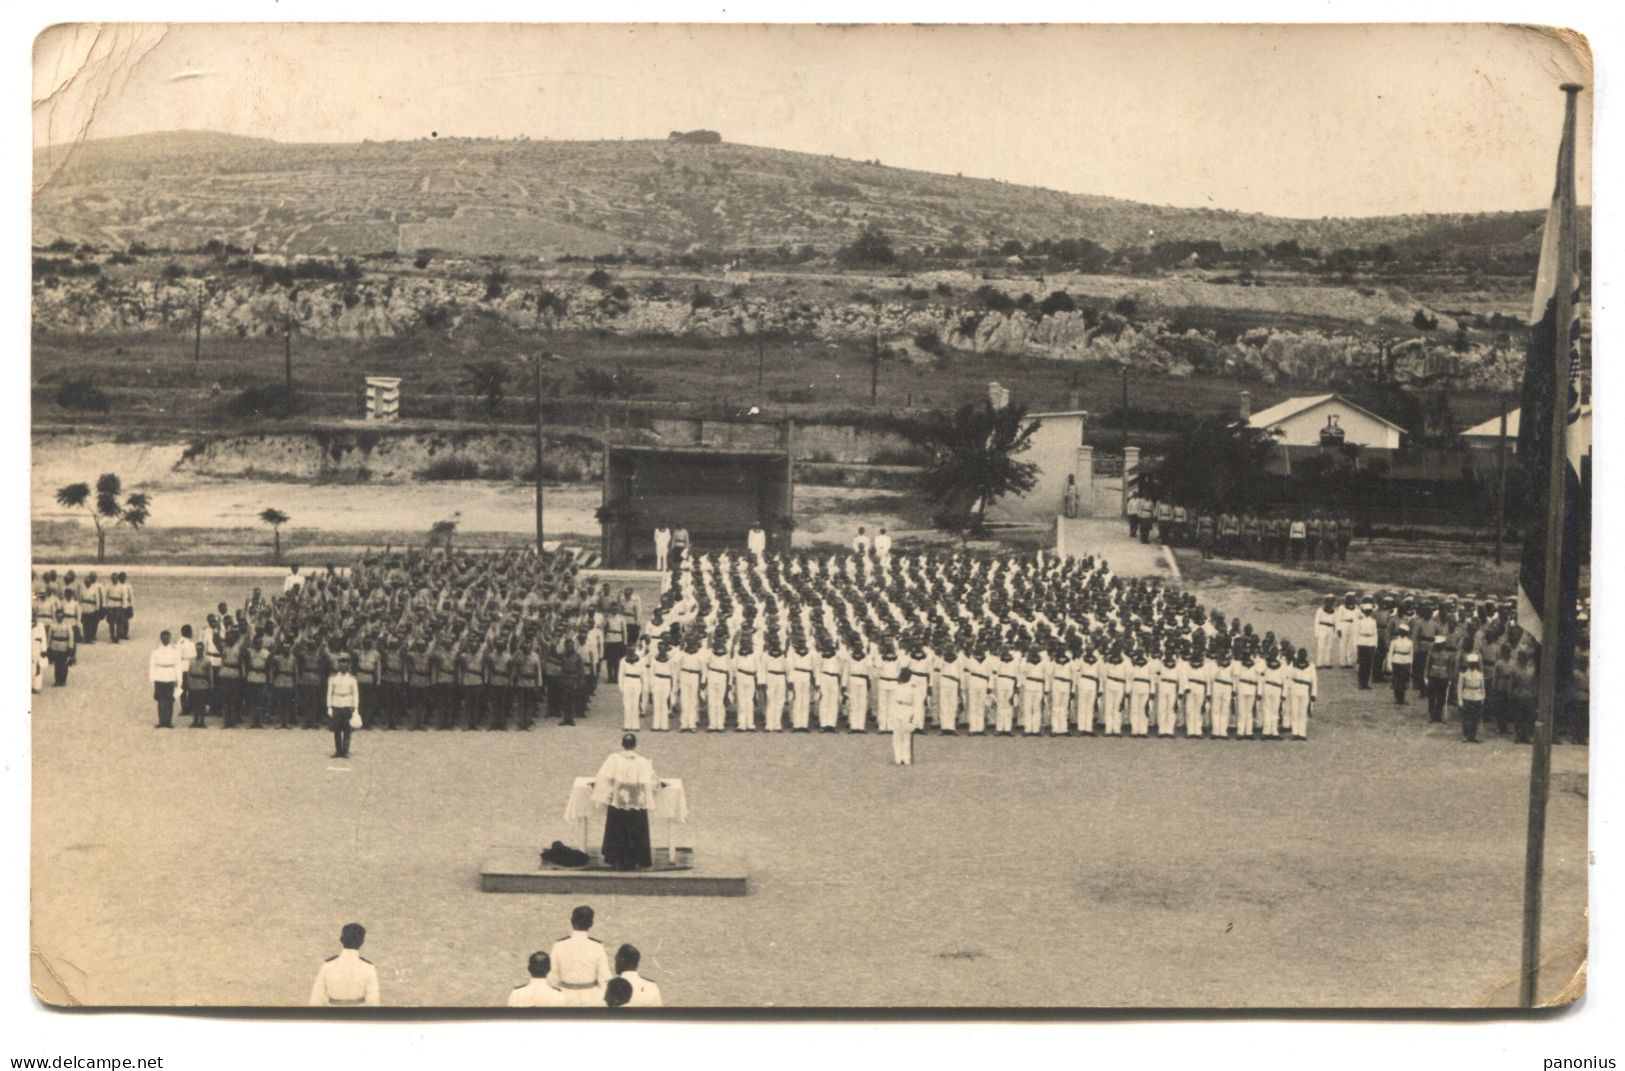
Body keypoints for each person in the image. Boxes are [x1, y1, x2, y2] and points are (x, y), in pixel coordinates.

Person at [593, 735, 656, 870]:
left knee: (616, 828)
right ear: (635, 745)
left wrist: (607, 793)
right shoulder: (643, 761)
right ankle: (639, 858)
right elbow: (651, 781)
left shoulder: (613, 759)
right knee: (637, 829)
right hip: (636, 802)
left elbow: (604, 777)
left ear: (622, 744)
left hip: (618, 801)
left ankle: (615, 858)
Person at [549, 905, 613, 1004]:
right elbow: (605, 979)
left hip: (564, 998)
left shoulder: (559, 945)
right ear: (591, 923)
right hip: (590, 999)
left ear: (572, 921)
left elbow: (551, 979)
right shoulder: (597, 947)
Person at [309, 922, 380, 1007]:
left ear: (341, 939)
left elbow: (315, 1000)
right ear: (362, 942)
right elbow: (373, 1003)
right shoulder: (368, 968)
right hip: (359, 1017)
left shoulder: (327, 965)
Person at [327, 653, 360, 758]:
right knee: (337, 730)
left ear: (348, 664)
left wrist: (356, 709)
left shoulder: (352, 679)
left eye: (345, 662)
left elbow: (355, 694)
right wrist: (329, 707)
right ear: (338, 664)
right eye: (341, 662)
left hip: (347, 705)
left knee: (347, 729)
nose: (343, 665)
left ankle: (345, 751)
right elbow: (329, 693)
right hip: (336, 704)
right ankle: (338, 751)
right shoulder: (333, 678)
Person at [149, 629, 182, 728]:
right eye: (164, 638)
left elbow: (178, 666)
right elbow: (152, 666)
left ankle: (168, 721)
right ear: (161, 638)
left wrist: (179, 680)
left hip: (171, 677)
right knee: (160, 700)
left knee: (170, 700)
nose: (166, 640)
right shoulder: (155, 652)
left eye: (168, 638)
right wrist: (152, 679)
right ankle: (161, 721)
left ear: (170, 638)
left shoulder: (175, 652)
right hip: (159, 677)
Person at [889, 666, 921, 764]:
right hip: (897, 711)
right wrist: (892, 715)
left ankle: (906, 758)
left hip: (908, 711)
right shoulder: (896, 687)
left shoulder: (914, 688)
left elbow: (917, 705)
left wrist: (916, 719)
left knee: (906, 736)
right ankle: (898, 758)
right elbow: (892, 702)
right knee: (897, 735)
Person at [1457, 652, 1486, 743]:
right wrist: (1460, 700)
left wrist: (1482, 698)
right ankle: (1466, 735)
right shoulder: (1463, 674)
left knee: (1475, 717)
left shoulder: (1480, 674)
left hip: (1477, 697)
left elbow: (1482, 687)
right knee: (1466, 717)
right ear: (1468, 664)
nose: (1473, 665)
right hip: (1467, 696)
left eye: (1474, 663)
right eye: (1471, 663)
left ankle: (1473, 735)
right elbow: (1459, 687)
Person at [45, 608, 76, 688]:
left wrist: (70, 648)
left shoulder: (67, 625)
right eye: (58, 616)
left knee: (64, 664)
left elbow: (71, 637)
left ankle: (63, 680)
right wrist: (48, 647)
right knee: (57, 664)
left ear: (63, 616)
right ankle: (57, 680)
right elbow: (49, 637)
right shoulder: (53, 625)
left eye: (61, 616)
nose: (59, 618)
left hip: (64, 647)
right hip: (55, 647)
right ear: (56, 616)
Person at [1386, 623, 1414, 705]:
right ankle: (1397, 698)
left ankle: (1402, 698)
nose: (1402, 633)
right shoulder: (1394, 641)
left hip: (1405, 662)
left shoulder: (1410, 642)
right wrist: (1389, 663)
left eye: (1404, 632)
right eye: (1401, 631)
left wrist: (1410, 663)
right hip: (1396, 660)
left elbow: (1411, 653)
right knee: (1396, 680)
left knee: (1404, 680)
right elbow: (1390, 653)